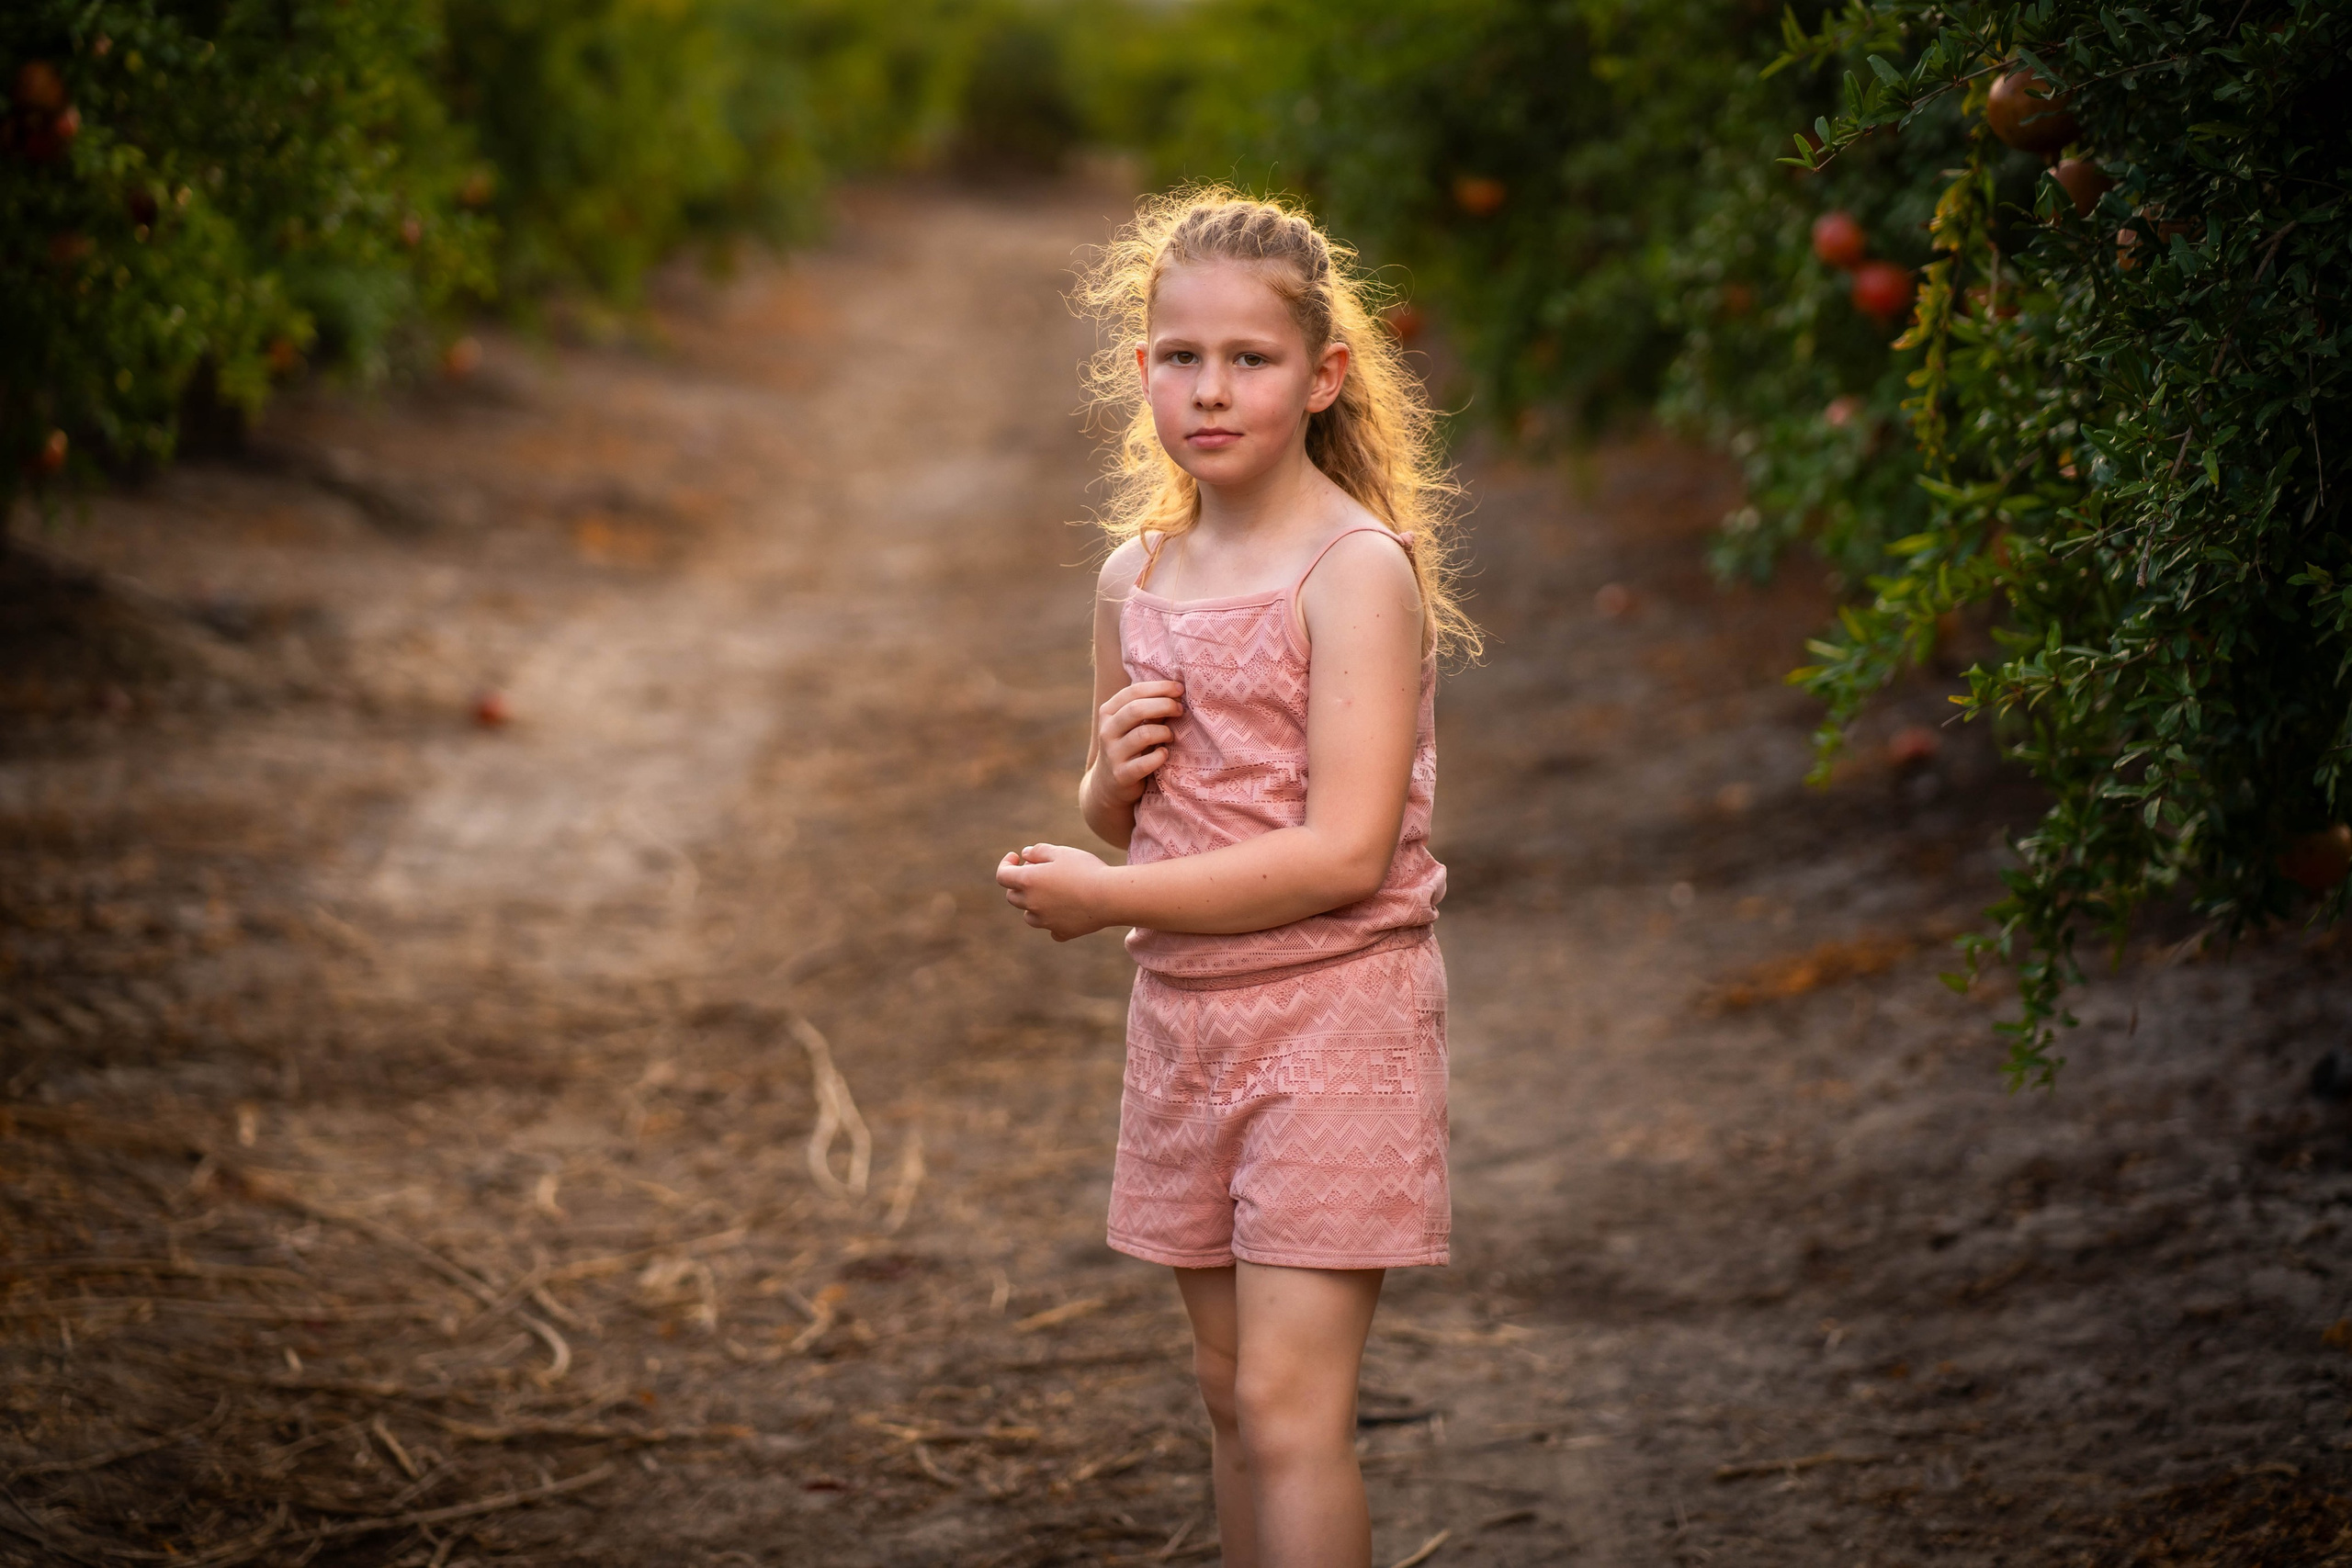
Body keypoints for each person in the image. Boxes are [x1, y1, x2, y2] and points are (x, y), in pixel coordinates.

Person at [995, 188, 1476, 1568]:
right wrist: (1102, 790)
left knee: (1287, 1405)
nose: (1210, 390)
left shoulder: (1353, 571)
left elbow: (1346, 854)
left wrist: (1106, 898)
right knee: (1225, 1399)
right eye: (1178, 356)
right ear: (1139, 364)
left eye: (1249, 360)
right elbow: (1125, 810)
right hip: (1190, 1025)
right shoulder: (1133, 575)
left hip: (1335, 1020)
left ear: (1323, 376)